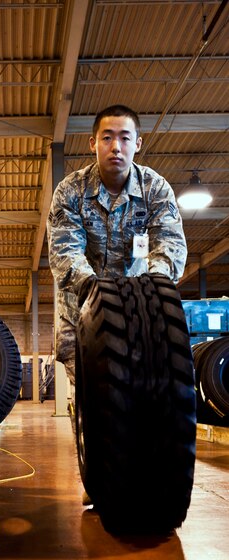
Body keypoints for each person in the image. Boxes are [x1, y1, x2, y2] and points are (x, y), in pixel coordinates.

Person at [47, 104, 187, 385]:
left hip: (135, 312)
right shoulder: (70, 191)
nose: (116, 147)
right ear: (93, 143)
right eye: (107, 137)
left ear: (137, 143)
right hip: (81, 311)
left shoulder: (154, 189)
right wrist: (93, 289)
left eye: (124, 138)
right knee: (95, 402)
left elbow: (169, 242)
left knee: (136, 393)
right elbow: (65, 250)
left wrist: (154, 285)